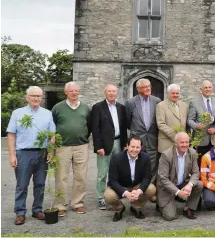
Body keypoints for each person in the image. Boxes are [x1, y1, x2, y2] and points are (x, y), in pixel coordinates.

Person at [7, 86, 56, 225]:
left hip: (42, 153)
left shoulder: (47, 113)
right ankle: (20, 212)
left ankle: (37, 209)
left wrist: (51, 152)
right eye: (33, 95)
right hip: (23, 153)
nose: (36, 98)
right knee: (22, 185)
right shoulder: (18, 113)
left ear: (42, 98)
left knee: (40, 184)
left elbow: (52, 135)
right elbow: (11, 134)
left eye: (38, 96)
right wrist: (12, 155)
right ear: (27, 97)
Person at [52, 82, 91, 217]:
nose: (74, 93)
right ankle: (60, 205)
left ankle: (77, 203)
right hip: (63, 147)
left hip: (81, 146)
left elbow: (89, 126)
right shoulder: (58, 108)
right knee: (61, 176)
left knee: (81, 176)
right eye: (71, 91)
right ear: (66, 92)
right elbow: (52, 126)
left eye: (76, 91)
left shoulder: (85, 108)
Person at [91, 84, 128, 210]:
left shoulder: (121, 107)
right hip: (104, 145)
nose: (111, 93)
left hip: (119, 143)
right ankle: (101, 198)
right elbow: (95, 129)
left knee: (117, 171)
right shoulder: (98, 107)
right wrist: (98, 146)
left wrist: (125, 144)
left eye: (113, 91)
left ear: (116, 93)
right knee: (102, 172)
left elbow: (123, 128)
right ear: (105, 93)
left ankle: (114, 194)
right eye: (109, 91)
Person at [104, 136, 157, 222]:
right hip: (122, 186)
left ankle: (135, 207)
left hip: (136, 186)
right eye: (132, 146)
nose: (135, 150)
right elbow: (112, 181)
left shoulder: (145, 157)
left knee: (151, 189)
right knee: (108, 195)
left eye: (137, 147)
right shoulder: (116, 158)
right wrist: (126, 193)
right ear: (127, 146)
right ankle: (119, 209)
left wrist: (139, 191)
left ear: (141, 148)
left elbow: (147, 177)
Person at [156, 132, 203, 220]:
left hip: (182, 183)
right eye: (182, 142)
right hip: (168, 187)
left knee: (199, 184)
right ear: (175, 143)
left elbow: (196, 172)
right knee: (170, 216)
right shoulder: (166, 155)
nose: (185, 145)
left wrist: (190, 185)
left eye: (187, 142)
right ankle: (160, 204)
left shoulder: (192, 152)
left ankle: (188, 208)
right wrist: (178, 192)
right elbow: (163, 179)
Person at [125, 78, 161, 183]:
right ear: (138, 89)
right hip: (137, 139)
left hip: (152, 138)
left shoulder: (157, 101)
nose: (148, 88)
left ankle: (151, 188)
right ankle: (137, 187)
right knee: (136, 163)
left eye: (149, 86)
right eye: (145, 87)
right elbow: (127, 121)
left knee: (153, 165)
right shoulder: (131, 102)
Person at [187, 80, 215, 163]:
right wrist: (196, 126)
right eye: (205, 87)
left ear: (212, 89)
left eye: (209, 87)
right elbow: (190, 120)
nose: (208, 89)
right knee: (201, 163)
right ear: (201, 89)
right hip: (200, 140)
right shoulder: (194, 102)